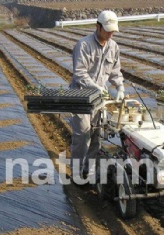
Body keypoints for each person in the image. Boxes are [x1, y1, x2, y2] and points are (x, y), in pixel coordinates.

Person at [69, 10, 125, 179]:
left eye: (112, 31)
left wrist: (120, 87)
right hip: (81, 96)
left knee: (96, 135)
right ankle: (77, 173)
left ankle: (89, 170)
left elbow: (115, 71)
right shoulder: (84, 46)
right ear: (97, 27)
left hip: (99, 99)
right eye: (107, 30)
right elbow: (79, 73)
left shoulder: (113, 47)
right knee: (82, 135)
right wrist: (95, 87)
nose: (110, 33)